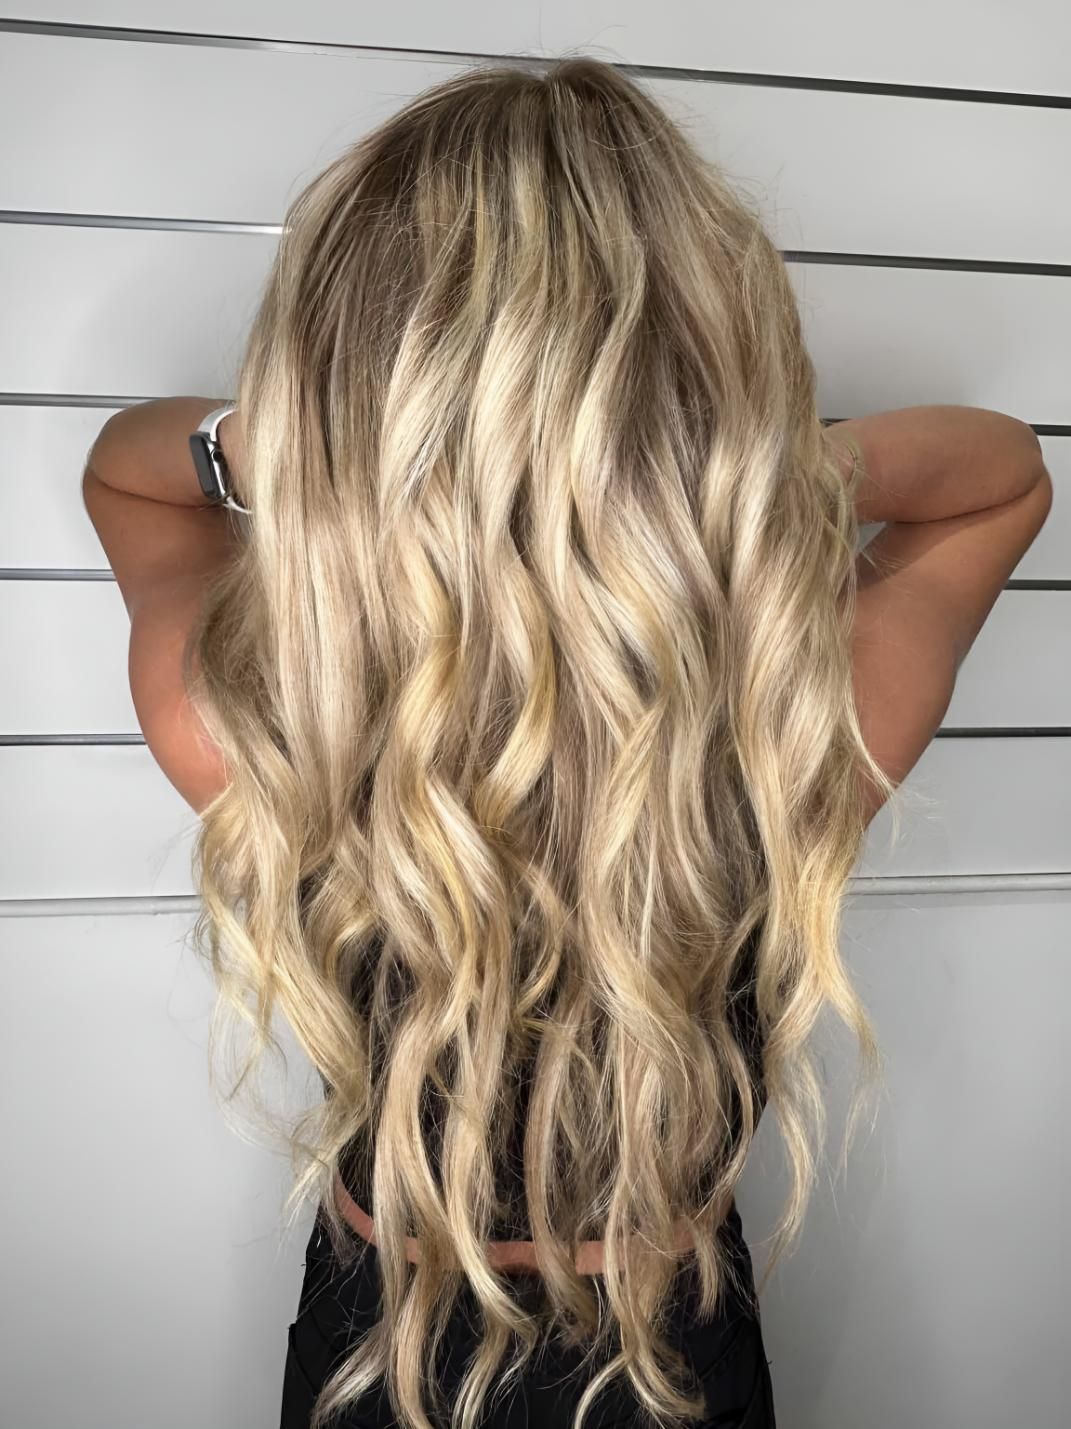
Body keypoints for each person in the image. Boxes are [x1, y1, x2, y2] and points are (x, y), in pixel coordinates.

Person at [82, 56, 1053, 1429]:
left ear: (336, 380)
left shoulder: (256, 733)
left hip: (380, 1335)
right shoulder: (803, 727)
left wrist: (308, 457)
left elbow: (126, 471)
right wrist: (745, 474)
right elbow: (1003, 471)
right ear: (715, 353)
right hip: (672, 1344)